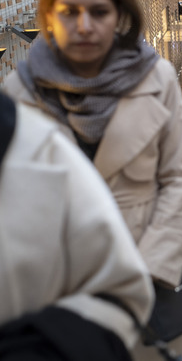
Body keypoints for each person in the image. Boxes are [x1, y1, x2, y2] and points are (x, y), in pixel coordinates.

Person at [3, 0, 182, 358]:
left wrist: (148, 272)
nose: (84, 25)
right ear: (49, 16)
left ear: (120, 15)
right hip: (51, 297)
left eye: (99, 11)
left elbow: (180, 177)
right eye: (69, 11)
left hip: (148, 283)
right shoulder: (18, 93)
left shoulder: (156, 78)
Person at [0, 94, 153, 360]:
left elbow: (180, 177)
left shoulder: (33, 140)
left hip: (143, 249)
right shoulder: (24, 93)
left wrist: (157, 265)